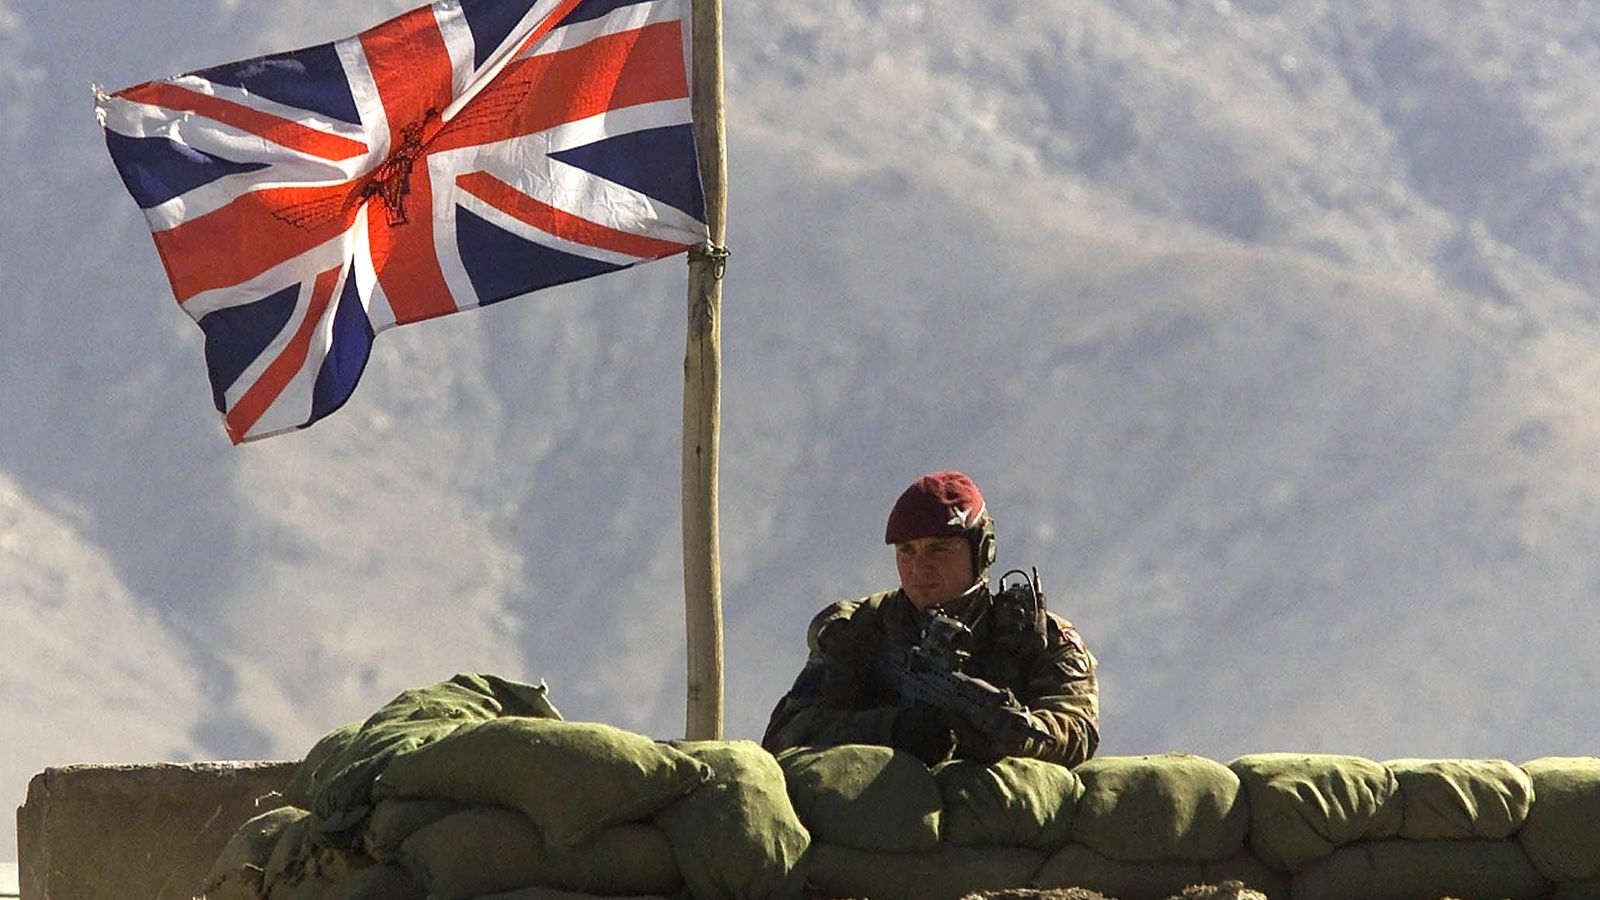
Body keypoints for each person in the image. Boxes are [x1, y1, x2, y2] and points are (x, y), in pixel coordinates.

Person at [762, 471, 1100, 767]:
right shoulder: (858, 629)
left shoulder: (1039, 636)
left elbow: (1078, 731)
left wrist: (1016, 735)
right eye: (907, 551)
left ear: (982, 551)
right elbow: (787, 734)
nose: (919, 567)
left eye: (938, 549)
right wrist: (894, 729)